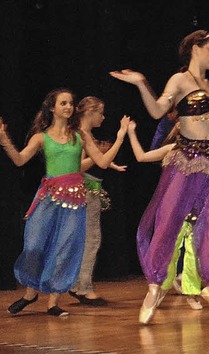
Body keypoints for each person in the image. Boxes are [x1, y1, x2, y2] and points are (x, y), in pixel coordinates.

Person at [110, 29, 209, 325]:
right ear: (196, 48)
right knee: (168, 222)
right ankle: (155, 287)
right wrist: (141, 83)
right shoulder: (180, 80)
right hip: (185, 162)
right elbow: (158, 109)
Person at [1, 88, 128, 317]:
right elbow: (20, 160)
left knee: (64, 250)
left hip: (75, 201)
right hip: (49, 198)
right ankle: (30, 294)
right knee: (36, 246)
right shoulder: (41, 137)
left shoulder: (79, 136)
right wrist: (3, 139)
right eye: (63, 103)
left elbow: (101, 161)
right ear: (52, 108)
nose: (69, 107)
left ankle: (53, 303)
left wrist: (120, 138)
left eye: (71, 103)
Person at [68, 96, 127, 307]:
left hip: (87, 188)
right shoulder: (81, 134)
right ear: (90, 112)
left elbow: (97, 160)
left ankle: (77, 284)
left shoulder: (83, 134)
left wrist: (110, 163)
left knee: (86, 239)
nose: (103, 117)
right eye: (100, 113)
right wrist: (118, 140)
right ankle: (82, 287)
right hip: (84, 190)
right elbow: (78, 166)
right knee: (91, 239)